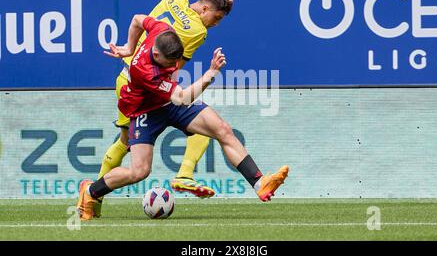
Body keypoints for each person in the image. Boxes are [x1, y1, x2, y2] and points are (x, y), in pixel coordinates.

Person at [76, 15, 290, 221]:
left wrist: (129, 47)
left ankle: (259, 183)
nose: (175, 64)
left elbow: (137, 19)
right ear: (157, 55)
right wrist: (211, 73)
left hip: (169, 101)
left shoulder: (162, 30)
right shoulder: (146, 71)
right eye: (171, 61)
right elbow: (183, 97)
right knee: (139, 171)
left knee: (222, 129)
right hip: (145, 110)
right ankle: (91, 191)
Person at [93, 0, 236, 218]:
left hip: (129, 74)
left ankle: (94, 198)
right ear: (204, 9)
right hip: (143, 86)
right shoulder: (197, 31)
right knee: (193, 116)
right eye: (217, 16)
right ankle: (94, 194)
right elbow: (173, 68)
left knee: (201, 121)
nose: (217, 22)